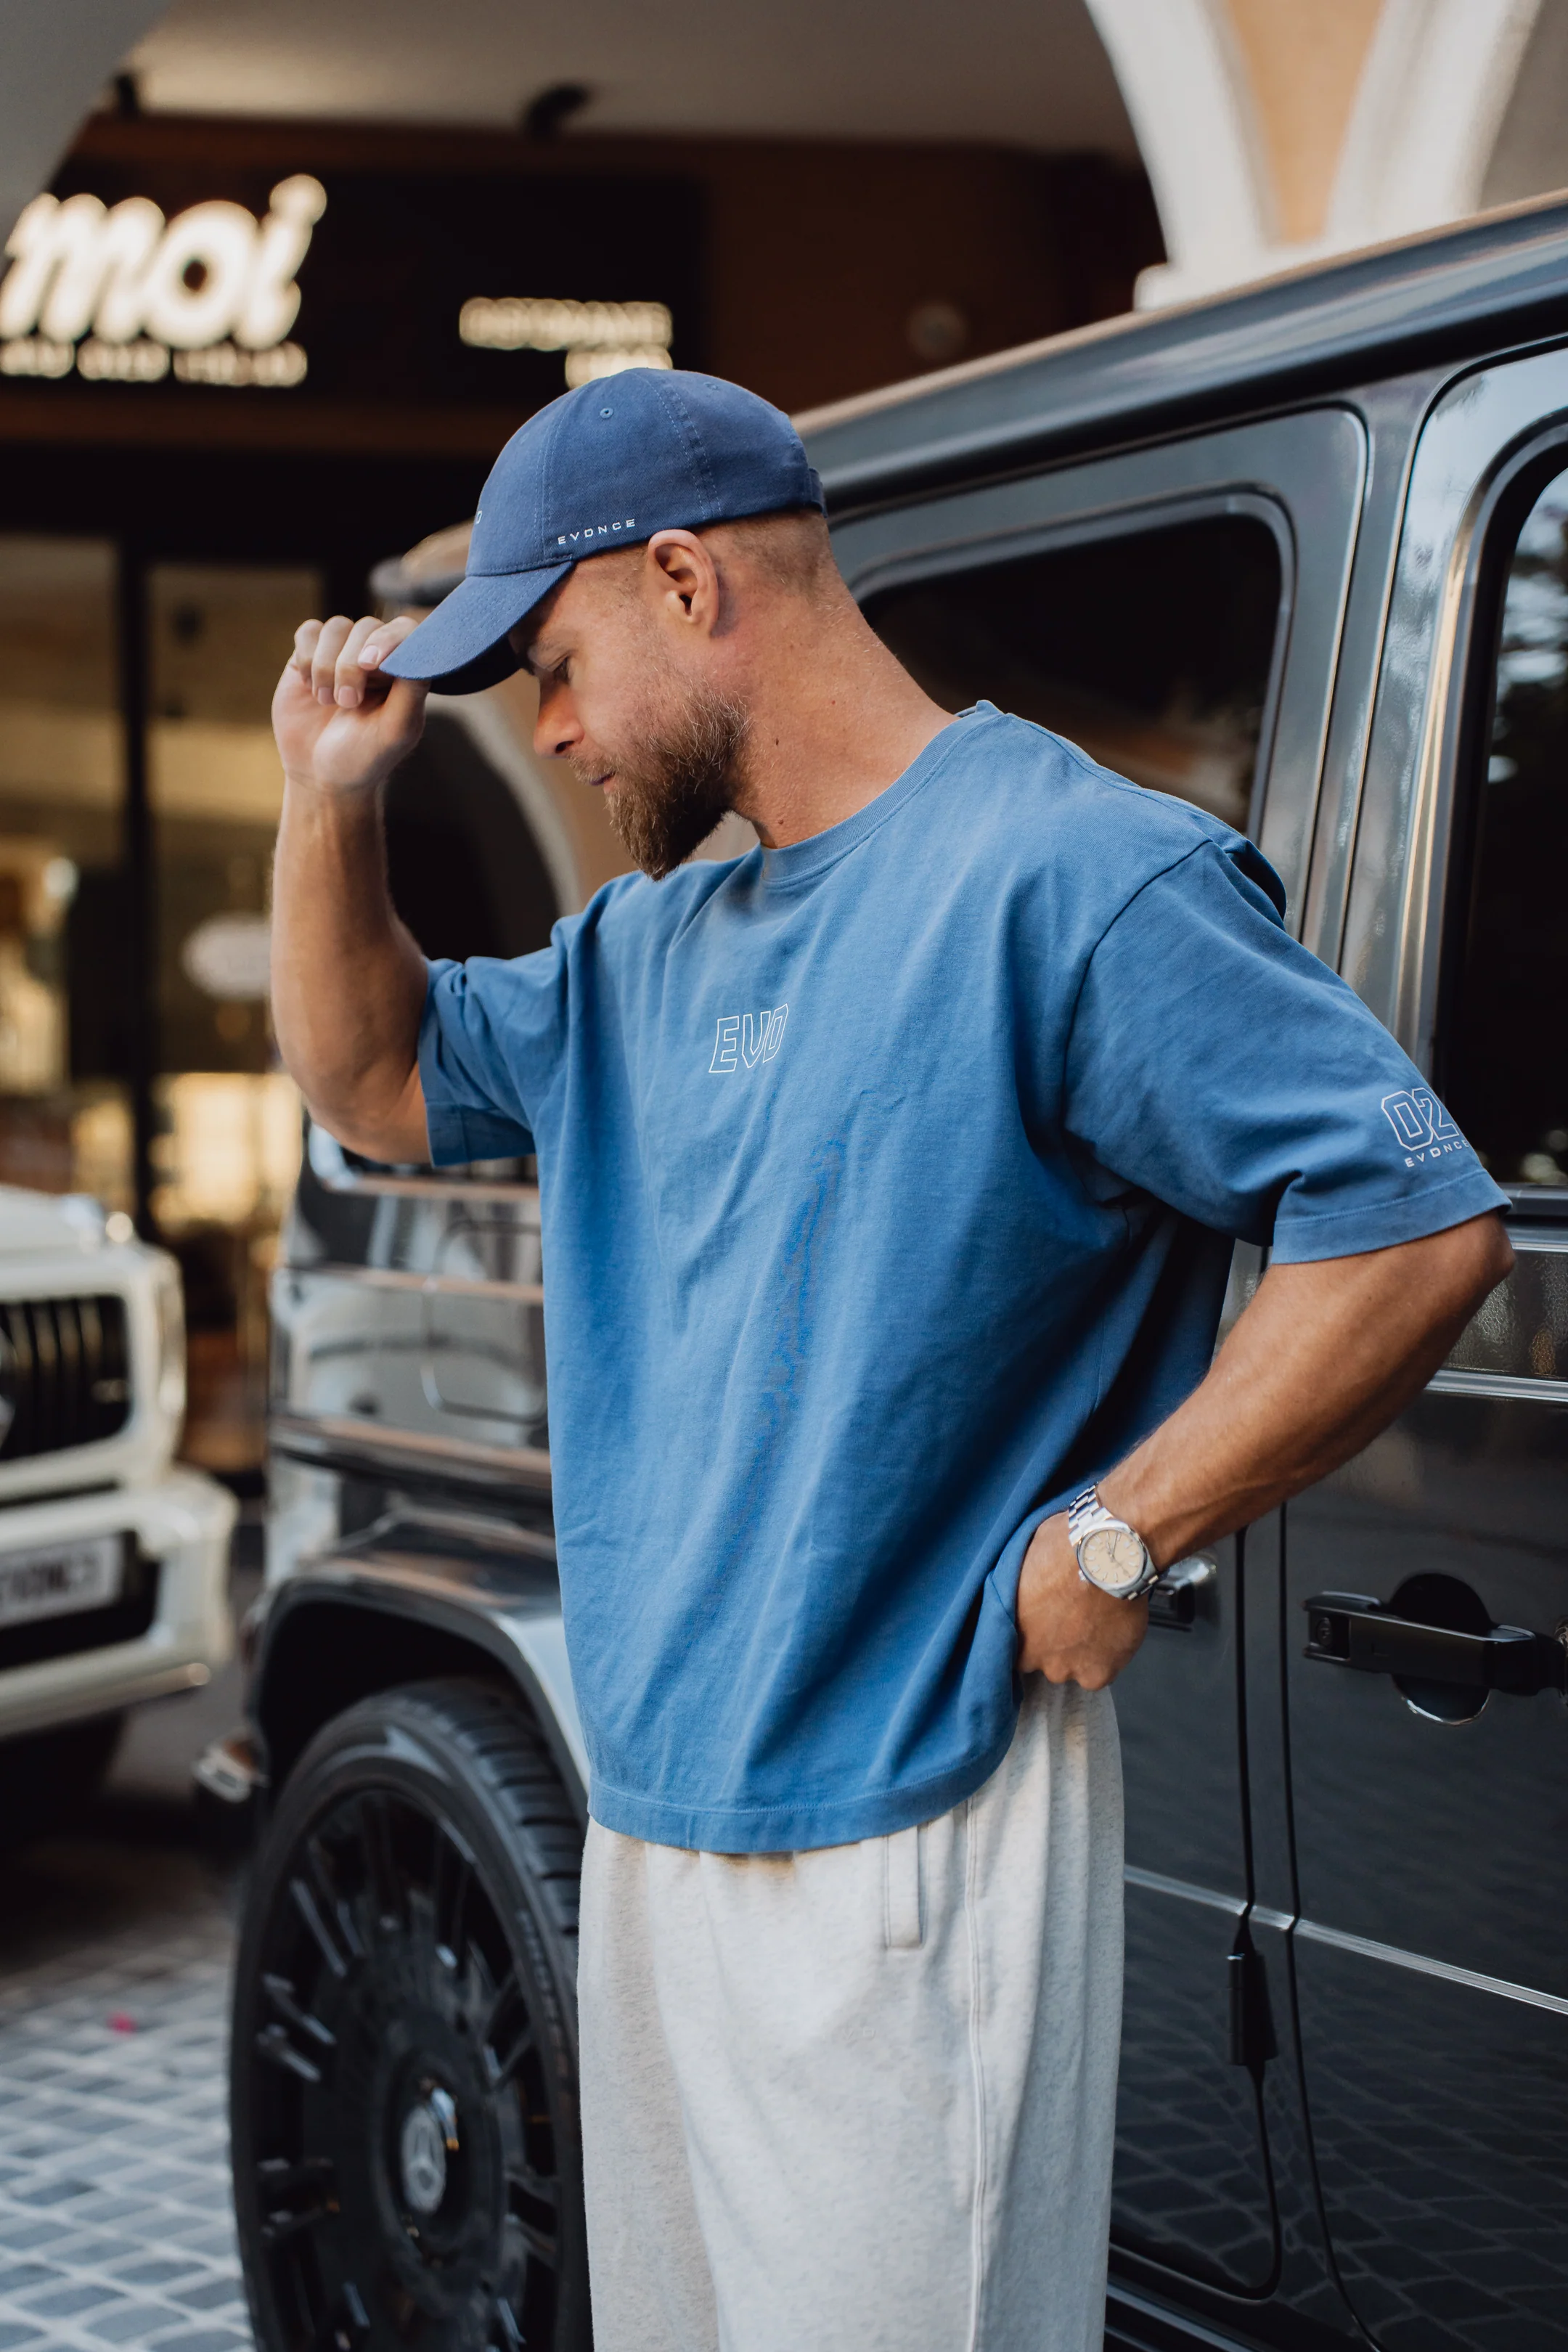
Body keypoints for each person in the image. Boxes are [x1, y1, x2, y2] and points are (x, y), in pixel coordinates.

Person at [269, 369, 1511, 2351]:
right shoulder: (642, 954)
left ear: (686, 582)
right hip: (657, 1827)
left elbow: (1414, 1224)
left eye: (558, 664)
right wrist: (331, 809)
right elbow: (372, 1075)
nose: (554, 726)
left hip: (911, 1840)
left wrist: (1122, 1530)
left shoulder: (1079, 878)